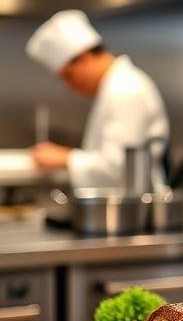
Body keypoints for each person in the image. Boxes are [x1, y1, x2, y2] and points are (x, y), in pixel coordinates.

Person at [26, 10, 169, 189]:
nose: (69, 86)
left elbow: (117, 170)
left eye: (68, 76)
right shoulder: (114, 87)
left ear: (84, 59)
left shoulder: (126, 91)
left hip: (136, 211)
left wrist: (65, 158)